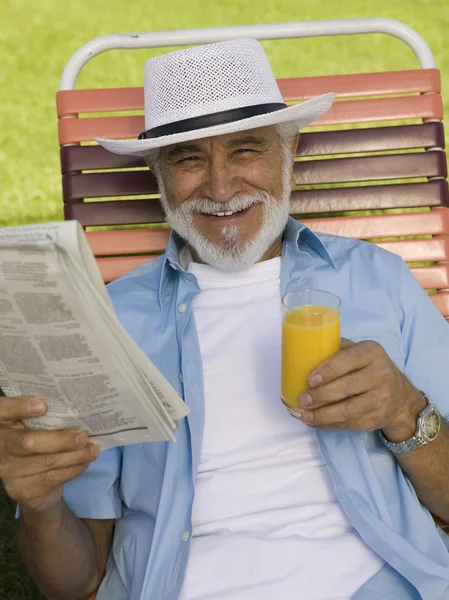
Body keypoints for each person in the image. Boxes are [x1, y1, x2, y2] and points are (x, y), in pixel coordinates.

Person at [2, 38, 449, 600]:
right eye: (189, 157)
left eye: (245, 150)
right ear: (157, 174)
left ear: (290, 151)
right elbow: (76, 581)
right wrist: (40, 508)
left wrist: (405, 409)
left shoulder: (375, 279)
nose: (219, 187)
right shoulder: (109, 325)